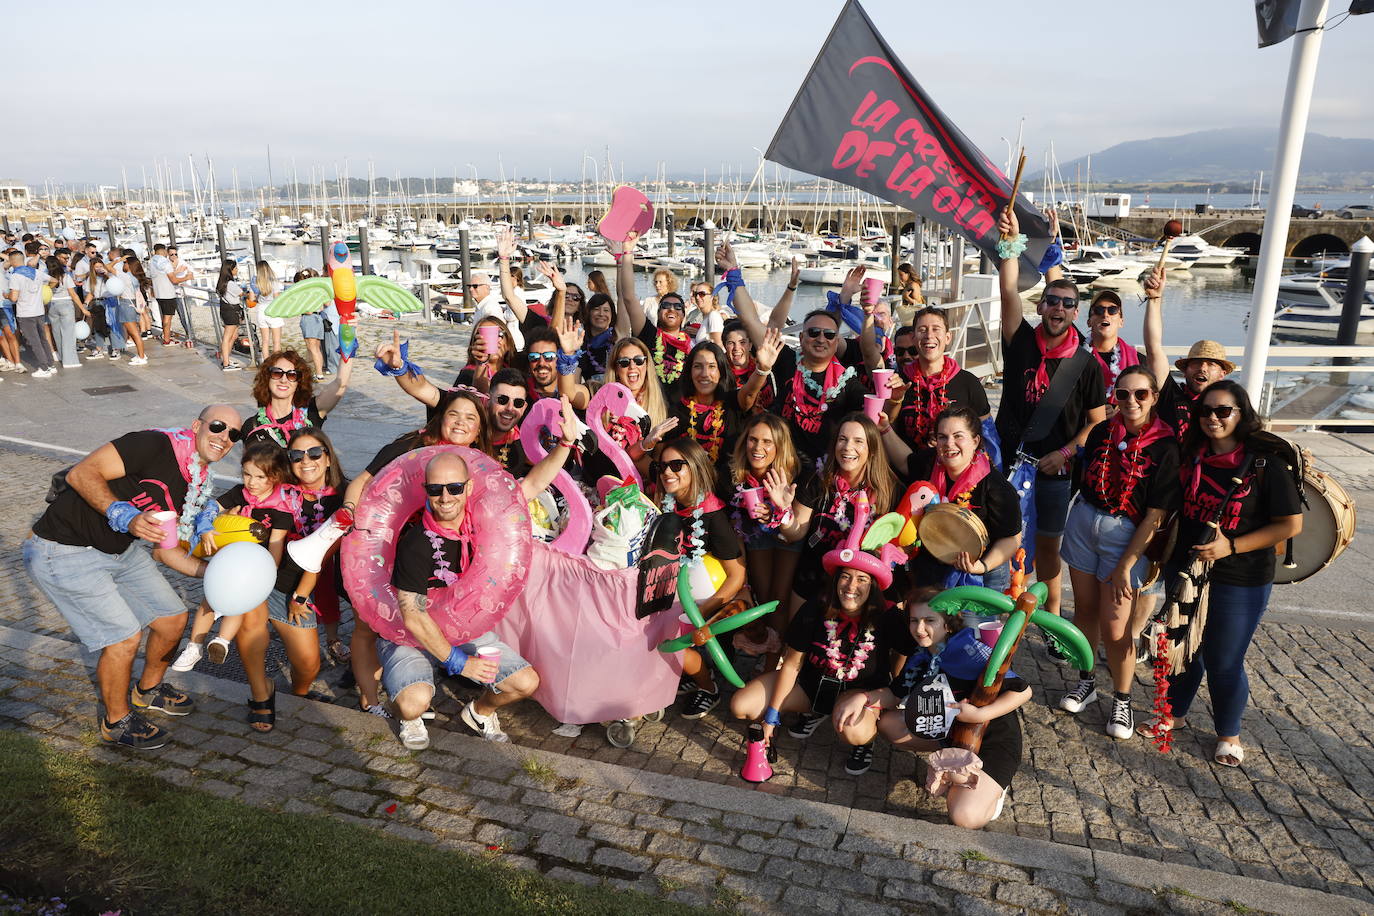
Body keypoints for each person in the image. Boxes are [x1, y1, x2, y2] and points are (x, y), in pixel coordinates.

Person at [23, 406, 244, 749]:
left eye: (234, 434)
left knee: (172, 618)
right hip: (63, 549)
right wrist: (121, 513)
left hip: (118, 552)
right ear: (197, 425)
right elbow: (81, 473)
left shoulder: (195, 479)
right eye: (218, 426)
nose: (224, 437)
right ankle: (116, 721)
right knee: (123, 638)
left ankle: (147, 691)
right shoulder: (153, 445)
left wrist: (215, 573)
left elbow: (165, 551)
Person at [1138, 381, 1302, 768]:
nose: (1213, 418)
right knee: (1184, 647)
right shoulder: (1192, 456)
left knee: (1224, 659)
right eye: (1205, 411)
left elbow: (1289, 525)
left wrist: (1231, 546)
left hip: (1241, 575)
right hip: (1190, 567)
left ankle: (1228, 734)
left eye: (1223, 411)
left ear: (1241, 414)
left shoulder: (1265, 464)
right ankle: (1172, 715)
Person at [731, 516, 913, 777]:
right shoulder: (817, 606)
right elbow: (792, 664)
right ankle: (816, 712)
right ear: (836, 579)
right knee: (742, 705)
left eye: (862, 579)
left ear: (872, 585)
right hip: (811, 686)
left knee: (854, 732)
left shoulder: (886, 614)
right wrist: (771, 716)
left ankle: (864, 742)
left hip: (859, 694)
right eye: (846, 577)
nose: (851, 586)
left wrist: (892, 690)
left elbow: (906, 651)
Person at [381, 452, 542, 747]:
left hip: (461, 627)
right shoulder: (416, 545)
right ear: (426, 491)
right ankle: (407, 715)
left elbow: (529, 487)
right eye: (435, 489)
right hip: (410, 634)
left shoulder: (481, 528)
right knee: (413, 702)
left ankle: (479, 712)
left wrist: (567, 443)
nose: (445, 497)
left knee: (525, 682)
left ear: (468, 488)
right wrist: (458, 662)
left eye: (454, 487)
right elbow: (413, 617)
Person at [996, 208, 1106, 625]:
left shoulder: (1086, 364)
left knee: (1048, 549)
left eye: (1068, 304)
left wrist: (1065, 452)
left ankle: (1053, 622)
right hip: (1011, 460)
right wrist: (1010, 242)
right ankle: (1007, 617)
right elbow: (1008, 292)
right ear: (1041, 305)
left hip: (1056, 468)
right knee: (1007, 540)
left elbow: (1096, 421)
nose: (1058, 308)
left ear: (1076, 313)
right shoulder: (1020, 341)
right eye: (1052, 301)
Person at [1058, 366, 1180, 738]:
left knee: (1116, 626)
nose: (1131, 401)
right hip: (1084, 521)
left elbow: (1156, 515)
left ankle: (1123, 699)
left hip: (1126, 536)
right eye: (1123, 394)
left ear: (1154, 397)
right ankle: (1086, 681)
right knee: (1085, 610)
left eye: (1141, 394)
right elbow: (1084, 476)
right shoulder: (1100, 433)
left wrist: (1128, 562)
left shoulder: (1165, 447)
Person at [874, 590, 1031, 827]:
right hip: (952, 733)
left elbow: (1023, 691)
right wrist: (863, 699)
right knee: (889, 724)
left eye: (930, 620)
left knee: (963, 816)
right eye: (914, 620)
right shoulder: (922, 654)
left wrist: (980, 714)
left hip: (993, 743)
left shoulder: (968, 650)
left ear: (948, 624)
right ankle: (955, 766)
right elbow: (895, 693)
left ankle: (993, 790)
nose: (919, 629)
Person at [170, 443, 294, 698]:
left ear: (276, 476)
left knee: (238, 602)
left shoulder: (281, 508)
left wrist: (266, 573)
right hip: (227, 558)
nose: (251, 482)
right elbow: (214, 507)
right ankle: (194, 646)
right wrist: (208, 522)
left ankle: (222, 641)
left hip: (251, 567)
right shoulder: (240, 493)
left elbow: (276, 544)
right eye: (247, 474)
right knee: (210, 599)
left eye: (260, 477)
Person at [638, 438, 747, 719]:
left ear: (696, 468)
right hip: (670, 592)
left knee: (667, 638)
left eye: (677, 465)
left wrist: (703, 612)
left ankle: (708, 687)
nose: (667, 473)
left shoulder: (714, 516)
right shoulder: (667, 503)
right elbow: (634, 461)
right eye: (662, 466)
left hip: (707, 600)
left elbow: (737, 575)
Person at [880, 407, 1021, 591]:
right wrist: (884, 428)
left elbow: (1012, 538)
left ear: (975, 441)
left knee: (972, 622)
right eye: (942, 437)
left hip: (982, 575)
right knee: (927, 618)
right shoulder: (930, 463)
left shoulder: (995, 486)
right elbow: (904, 462)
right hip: (932, 568)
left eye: (958, 436)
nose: (949, 443)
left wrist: (981, 567)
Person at [776, 415, 897, 627]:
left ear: (873, 449)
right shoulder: (816, 481)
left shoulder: (890, 491)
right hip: (812, 581)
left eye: (858, 441)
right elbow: (795, 532)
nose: (848, 447)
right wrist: (784, 511)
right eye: (842, 439)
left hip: (857, 591)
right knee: (797, 645)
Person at [721, 413, 802, 664]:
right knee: (765, 596)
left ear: (779, 445)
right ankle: (770, 651)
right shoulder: (735, 474)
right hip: (755, 536)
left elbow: (797, 528)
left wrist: (779, 510)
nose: (758, 448)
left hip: (789, 536)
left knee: (779, 596)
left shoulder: (794, 473)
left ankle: (772, 665)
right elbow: (735, 524)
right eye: (753, 440)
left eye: (767, 442)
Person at [669, 336, 783, 475]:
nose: (704, 374)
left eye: (712, 366)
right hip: (689, 489)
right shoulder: (677, 410)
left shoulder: (732, 402)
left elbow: (748, 393)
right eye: (697, 366)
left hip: (729, 489)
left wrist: (762, 369)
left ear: (721, 371)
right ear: (690, 372)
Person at [887, 308, 990, 457]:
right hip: (907, 471)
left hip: (955, 475)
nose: (929, 335)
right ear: (914, 338)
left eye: (936, 329)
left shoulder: (968, 383)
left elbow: (987, 437)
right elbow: (888, 431)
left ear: (948, 337)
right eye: (922, 330)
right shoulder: (898, 381)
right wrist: (893, 401)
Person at [240, 349, 352, 450]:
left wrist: (348, 345)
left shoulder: (312, 410)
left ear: (299, 382)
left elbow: (340, 384)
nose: (284, 380)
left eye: (292, 375)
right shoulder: (252, 426)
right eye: (277, 373)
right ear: (267, 377)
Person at [8, 243, 56, 377]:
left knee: (34, 342)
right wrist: (46, 291)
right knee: (42, 339)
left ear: (12, 262)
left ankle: (44, 368)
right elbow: (54, 280)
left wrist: (7, 295)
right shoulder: (36, 272)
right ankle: (51, 365)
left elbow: (13, 298)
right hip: (39, 310)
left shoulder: (15, 276)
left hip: (25, 313)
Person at [1084, 290, 1138, 403]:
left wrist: (1119, 409)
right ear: (1089, 322)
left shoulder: (1137, 359)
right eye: (1099, 310)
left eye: (1113, 310)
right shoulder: (1076, 356)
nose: (1105, 314)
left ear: (1121, 322)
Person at [45, 257, 87, 369]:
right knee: (68, 333)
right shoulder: (65, 276)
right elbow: (73, 294)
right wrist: (83, 309)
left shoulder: (46, 277)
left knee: (57, 332)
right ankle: (70, 361)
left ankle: (62, 356)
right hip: (65, 304)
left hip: (52, 305)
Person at [215, 260, 246, 372]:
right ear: (230, 270)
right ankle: (226, 363)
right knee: (228, 337)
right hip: (232, 312)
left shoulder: (222, 282)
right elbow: (242, 294)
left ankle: (226, 358)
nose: (237, 270)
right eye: (235, 268)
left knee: (233, 336)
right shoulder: (231, 284)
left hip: (226, 310)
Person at [252, 260, 284, 356]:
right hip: (273, 310)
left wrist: (259, 299)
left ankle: (266, 364)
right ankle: (276, 364)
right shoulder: (273, 282)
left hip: (261, 310)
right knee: (276, 342)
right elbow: (277, 299)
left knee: (265, 341)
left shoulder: (255, 282)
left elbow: (251, 299)